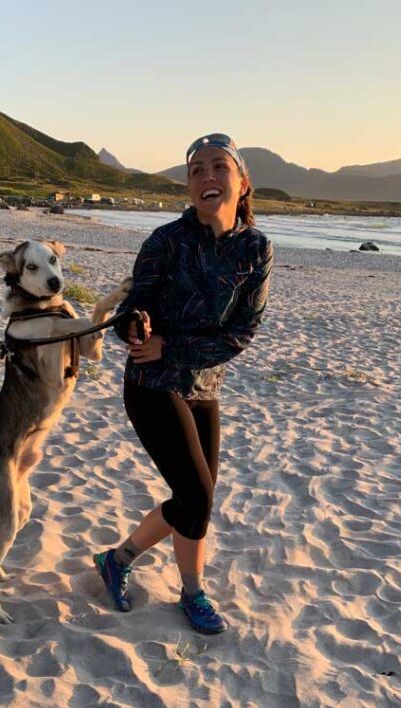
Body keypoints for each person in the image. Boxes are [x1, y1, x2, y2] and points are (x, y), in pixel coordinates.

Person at [94, 132, 273, 635]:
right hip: (151, 382)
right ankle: (192, 592)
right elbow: (136, 306)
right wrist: (135, 325)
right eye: (197, 170)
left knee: (195, 497)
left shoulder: (256, 250)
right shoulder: (165, 241)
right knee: (196, 495)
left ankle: (118, 559)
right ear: (190, 187)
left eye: (219, 167)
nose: (207, 177)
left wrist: (171, 345)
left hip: (203, 385)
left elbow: (241, 334)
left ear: (241, 183)